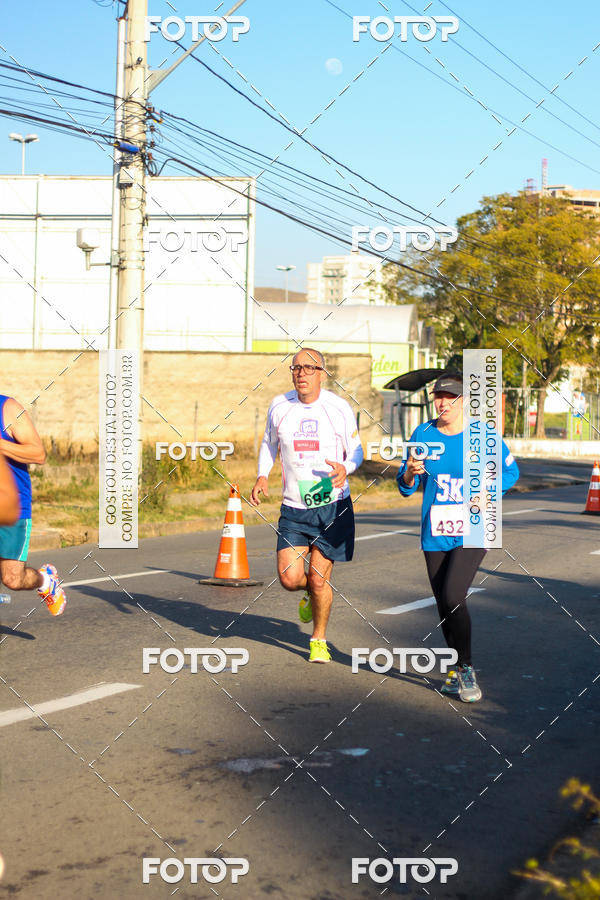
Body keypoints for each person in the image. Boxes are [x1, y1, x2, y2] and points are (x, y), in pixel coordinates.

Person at [396, 373, 519, 702]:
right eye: (438, 396)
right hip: (435, 529)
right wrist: (409, 472)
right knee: (444, 603)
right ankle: (454, 669)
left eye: (449, 397)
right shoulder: (423, 433)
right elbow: (405, 485)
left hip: (474, 527)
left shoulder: (483, 436)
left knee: (453, 595)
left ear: (464, 401)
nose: (442, 402)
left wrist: (487, 492)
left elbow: (510, 472)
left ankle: (466, 668)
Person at [250, 348, 363, 663]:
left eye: (309, 368)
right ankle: (311, 592)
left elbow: (356, 450)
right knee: (289, 578)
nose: (302, 373)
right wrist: (262, 475)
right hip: (294, 507)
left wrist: (346, 469)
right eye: (296, 368)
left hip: (331, 505)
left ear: (321, 374)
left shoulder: (338, 408)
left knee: (319, 577)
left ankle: (318, 639)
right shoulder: (280, 406)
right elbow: (269, 444)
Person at [0, 393, 67, 616]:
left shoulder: (8, 409)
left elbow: (38, 453)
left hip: (11, 507)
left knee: (13, 578)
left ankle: (46, 581)